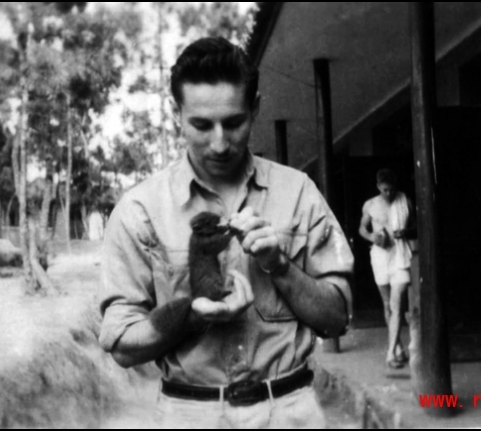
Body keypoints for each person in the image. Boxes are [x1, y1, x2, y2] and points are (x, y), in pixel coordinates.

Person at [99, 37, 354, 429]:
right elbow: (121, 343)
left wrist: (280, 266)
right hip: (189, 414)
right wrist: (188, 316)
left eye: (234, 123)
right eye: (201, 125)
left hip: (290, 412)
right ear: (176, 114)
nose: (219, 143)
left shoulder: (298, 192)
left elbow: (337, 318)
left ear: (255, 108)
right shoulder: (140, 210)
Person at [358, 168, 414, 370]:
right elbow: (362, 229)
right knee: (387, 304)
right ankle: (397, 346)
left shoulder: (404, 200)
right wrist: (373, 237)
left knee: (396, 303)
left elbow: (415, 226)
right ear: (378, 187)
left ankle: (390, 352)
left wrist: (405, 231)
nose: (388, 194)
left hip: (400, 255)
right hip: (381, 256)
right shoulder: (371, 205)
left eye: (391, 190)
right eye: (384, 190)